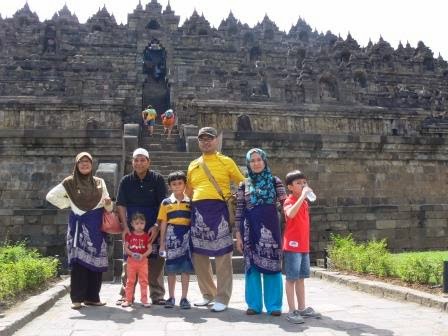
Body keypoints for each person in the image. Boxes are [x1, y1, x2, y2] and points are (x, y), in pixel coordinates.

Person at [186, 126, 245, 312]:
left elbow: (242, 181)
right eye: (202, 139)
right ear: (198, 141)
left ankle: (222, 296)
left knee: (223, 255)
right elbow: (188, 190)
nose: (206, 141)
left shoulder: (226, 161)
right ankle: (207, 293)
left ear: (216, 141)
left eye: (209, 138)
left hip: (219, 209)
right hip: (198, 211)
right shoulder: (193, 164)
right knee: (199, 255)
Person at [46, 152, 112, 310]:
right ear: (76, 165)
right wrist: (68, 203)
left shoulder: (99, 182)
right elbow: (51, 196)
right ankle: (77, 299)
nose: (84, 164)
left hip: (96, 226)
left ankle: (93, 298)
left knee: (96, 261)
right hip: (78, 227)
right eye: (81, 162)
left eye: (87, 162)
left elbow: (108, 207)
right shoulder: (69, 182)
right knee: (79, 264)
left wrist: (109, 204)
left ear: (91, 164)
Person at [235, 148, 286, 316]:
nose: (256, 163)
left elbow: (285, 204)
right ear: (248, 164)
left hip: (271, 229)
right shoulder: (244, 184)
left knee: (273, 265)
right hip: (250, 230)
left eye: (259, 160)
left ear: (265, 161)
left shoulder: (274, 181)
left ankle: (274, 306)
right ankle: (254, 305)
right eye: (252, 161)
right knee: (252, 267)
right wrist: (238, 233)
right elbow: (240, 210)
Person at [116, 148, 167, 306]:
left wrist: (157, 225)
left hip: (152, 225)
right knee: (129, 259)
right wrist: (125, 227)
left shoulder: (157, 179)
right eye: (136, 160)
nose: (139, 163)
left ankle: (157, 294)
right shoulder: (126, 180)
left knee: (156, 259)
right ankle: (126, 294)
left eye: (142, 160)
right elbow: (121, 205)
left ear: (149, 162)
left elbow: (163, 204)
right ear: (132, 162)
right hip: (133, 227)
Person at [282, 170, 321, 324]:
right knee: (291, 278)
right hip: (292, 246)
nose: (302, 185)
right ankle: (291, 311)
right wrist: (303, 196)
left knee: (301, 278)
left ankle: (302, 308)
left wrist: (304, 196)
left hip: (303, 246)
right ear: (290, 187)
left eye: (304, 182)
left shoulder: (304, 202)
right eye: (298, 183)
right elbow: (290, 214)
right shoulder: (289, 200)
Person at [158, 171, 194, 309]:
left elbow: (192, 221)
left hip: (186, 238)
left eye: (180, 183)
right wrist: (162, 243)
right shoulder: (166, 203)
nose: (177, 186)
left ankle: (184, 298)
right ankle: (171, 296)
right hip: (171, 239)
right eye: (174, 184)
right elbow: (163, 223)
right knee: (171, 269)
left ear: (185, 185)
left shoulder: (190, 202)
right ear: (169, 186)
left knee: (186, 270)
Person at [122, 213, 152, 308]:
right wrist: (132, 254)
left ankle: (144, 300)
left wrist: (143, 255)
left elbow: (150, 249)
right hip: (131, 262)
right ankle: (128, 300)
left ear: (145, 223)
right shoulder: (129, 235)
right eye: (137, 223)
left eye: (142, 223)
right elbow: (126, 248)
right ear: (132, 224)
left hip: (143, 262)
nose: (139, 225)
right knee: (130, 281)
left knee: (144, 281)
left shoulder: (146, 236)